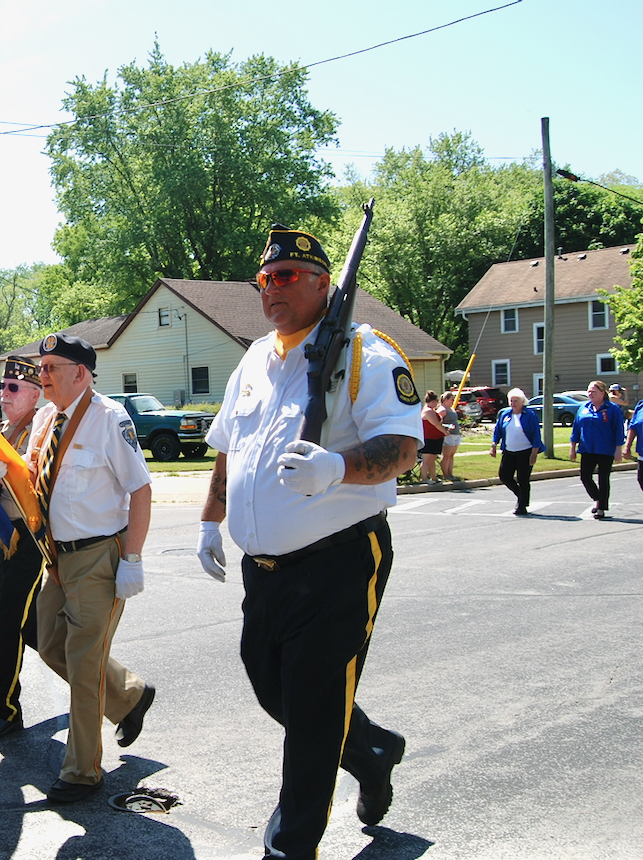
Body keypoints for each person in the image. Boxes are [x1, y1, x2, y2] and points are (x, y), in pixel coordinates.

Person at [197, 225, 422, 860]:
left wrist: (336, 468)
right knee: (275, 687)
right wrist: (212, 520)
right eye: (266, 279)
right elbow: (227, 449)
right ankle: (372, 749)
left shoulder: (364, 353)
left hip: (339, 561)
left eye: (289, 275)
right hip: (264, 569)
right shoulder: (254, 359)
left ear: (324, 283)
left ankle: (290, 845)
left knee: (315, 706)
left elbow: (402, 447)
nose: (273, 287)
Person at [25, 333, 154, 804]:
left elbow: (140, 491)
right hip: (58, 558)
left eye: (51, 368)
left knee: (83, 663)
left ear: (81, 373)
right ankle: (128, 696)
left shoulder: (108, 419)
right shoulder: (45, 419)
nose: (43, 376)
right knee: (47, 644)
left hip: (100, 556)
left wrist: (132, 560)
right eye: (41, 368)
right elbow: (32, 477)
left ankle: (83, 771)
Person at [0, 356, 46, 742]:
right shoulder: (1, 429)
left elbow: (41, 478)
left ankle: (4, 709)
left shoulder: (41, 429)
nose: (4, 395)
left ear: (35, 393)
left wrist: (10, 468)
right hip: (5, 532)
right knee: (34, 627)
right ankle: (119, 688)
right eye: (2, 387)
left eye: (14, 388)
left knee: (7, 619)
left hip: (30, 536)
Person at [570, 380, 625, 520]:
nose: (590, 394)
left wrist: (619, 448)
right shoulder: (583, 408)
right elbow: (576, 428)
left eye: (593, 391)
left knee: (603, 478)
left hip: (605, 449)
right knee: (585, 476)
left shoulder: (612, 409)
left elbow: (619, 429)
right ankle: (598, 498)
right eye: (589, 391)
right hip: (587, 448)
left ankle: (601, 508)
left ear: (602, 392)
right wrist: (573, 447)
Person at [490, 388, 545, 516]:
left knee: (523, 478)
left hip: (525, 451)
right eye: (511, 401)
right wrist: (494, 445)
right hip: (509, 451)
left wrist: (534, 453)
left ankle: (521, 506)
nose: (513, 403)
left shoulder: (530, 415)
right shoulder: (505, 414)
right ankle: (521, 495)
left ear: (522, 402)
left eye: (516, 401)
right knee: (504, 476)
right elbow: (498, 431)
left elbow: (536, 435)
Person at [419, 391, 447, 483]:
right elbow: (436, 424)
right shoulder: (428, 411)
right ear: (433, 401)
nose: (437, 403)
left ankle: (434, 478)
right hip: (429, 439)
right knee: (426, 459)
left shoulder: (432, 411)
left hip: (436, 438)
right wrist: (445, 432)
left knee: (432, 459)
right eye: (437, 401)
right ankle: (424, 479)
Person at [438, 391, 462, 481]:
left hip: (456, 434)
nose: (453, 401)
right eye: (452, 399)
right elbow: (437, 422)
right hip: (448, 435)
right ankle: (446, 474)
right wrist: (446, 428)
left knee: (451, 455)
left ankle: (450, 474)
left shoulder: (451, 409)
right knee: (446, 455)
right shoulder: (442, 410)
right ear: (446, 400)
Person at [626, 398, 643, 492]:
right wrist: (627, 447)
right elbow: (633, 427)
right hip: (642, 454)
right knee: (641, 480)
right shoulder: (641, 405)